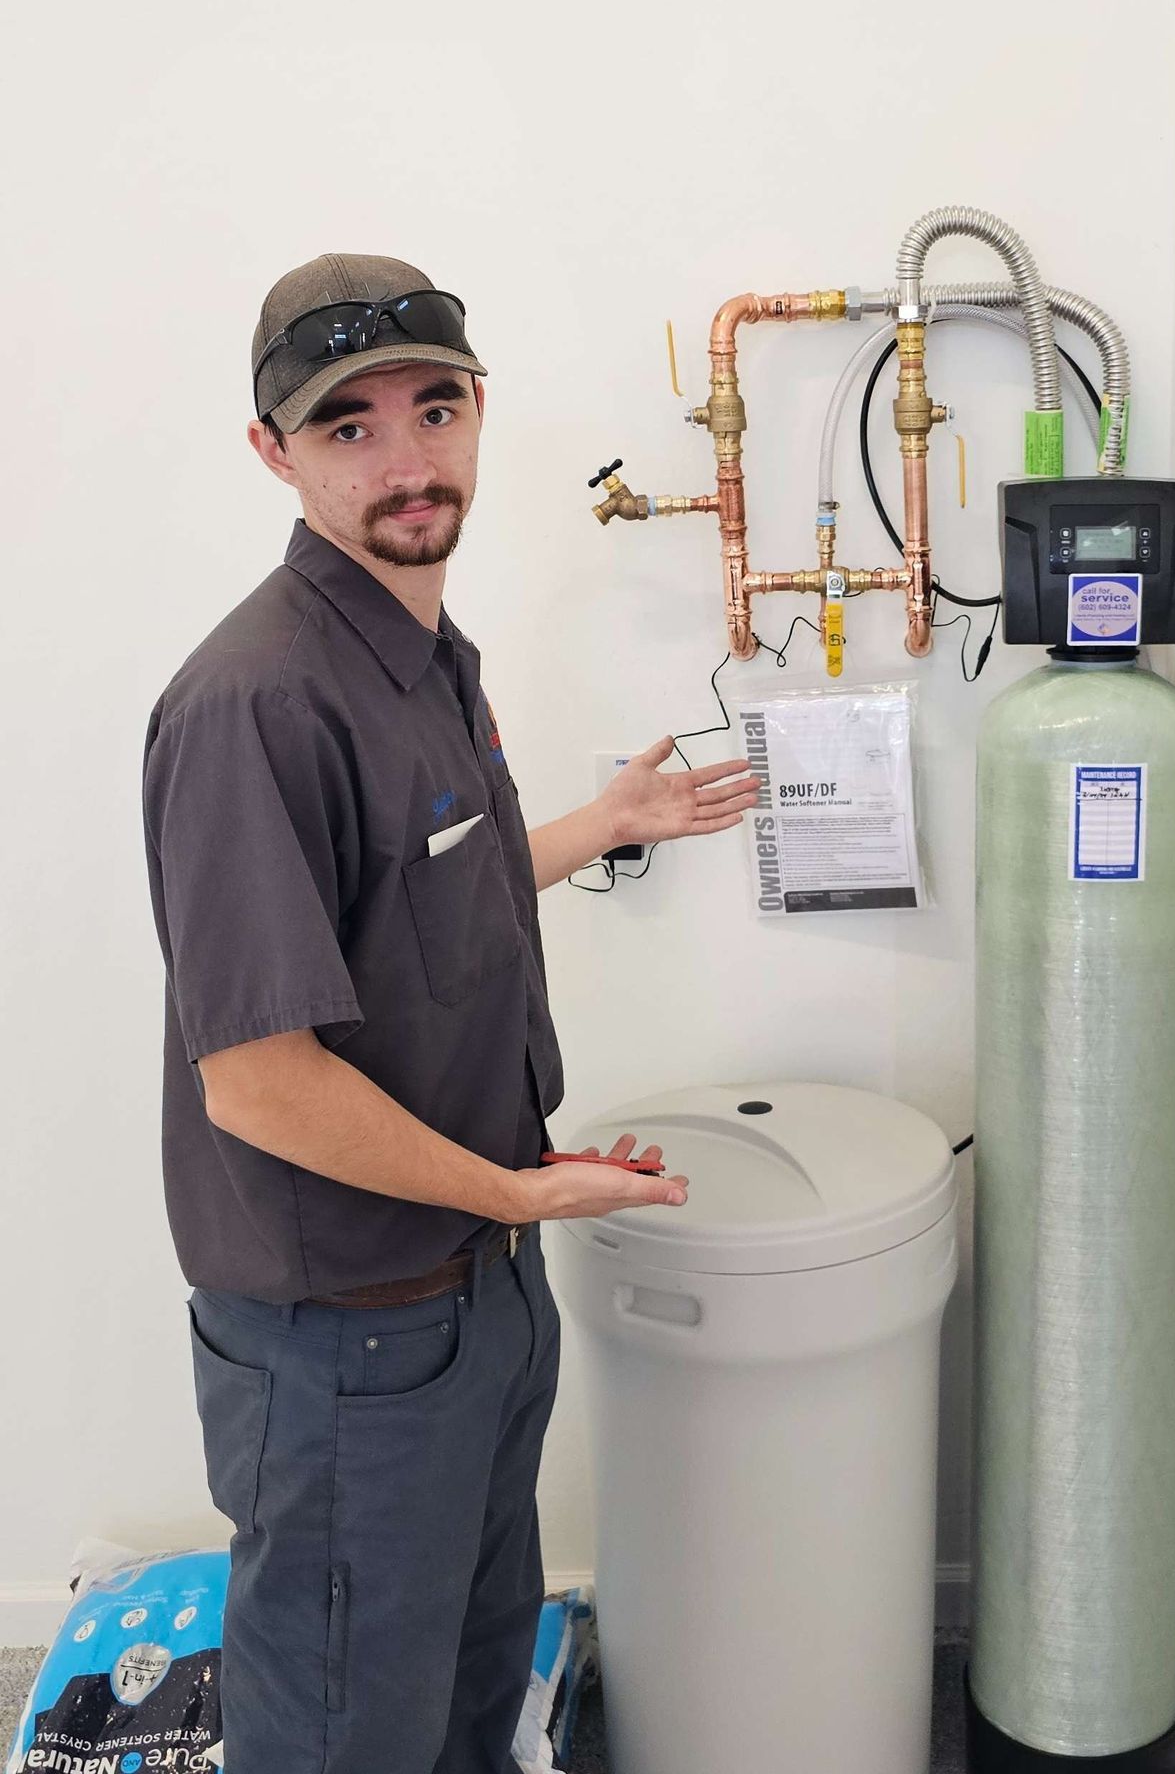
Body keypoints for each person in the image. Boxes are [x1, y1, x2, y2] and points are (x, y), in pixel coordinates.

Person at [140, 253, 759, 1771]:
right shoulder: (253, 704)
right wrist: (518, 1193)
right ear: (274, 453)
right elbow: (258, 1081)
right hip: (348, 1342)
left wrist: (600, 826)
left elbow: (409, 900)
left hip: (478, 1291)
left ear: (480, 409)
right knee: (348, 1732)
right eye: (347, 427)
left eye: (434, 408)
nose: (406, 460)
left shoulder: (421, 655)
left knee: (473, 1690)